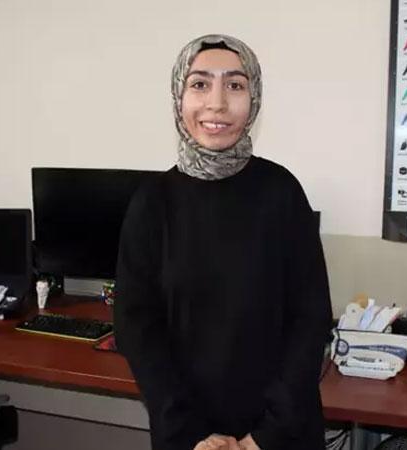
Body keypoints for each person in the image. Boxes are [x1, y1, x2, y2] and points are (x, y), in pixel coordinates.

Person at [114, 34, 333, 450]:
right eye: (200, 84)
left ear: (254, 99)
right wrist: (191, 434)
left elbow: (310, 319)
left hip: (280, 433)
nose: (217, 103)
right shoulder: (152, 202)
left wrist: (263, 438)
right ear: (178, 98)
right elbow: (136, 328)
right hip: (188, 434)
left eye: (234, 85)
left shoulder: (282, 192)